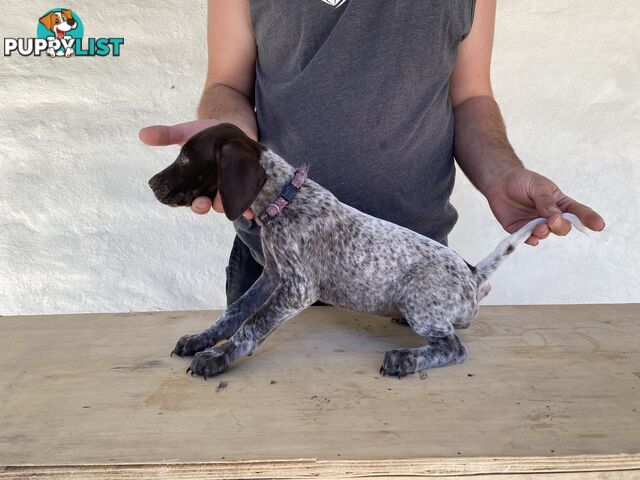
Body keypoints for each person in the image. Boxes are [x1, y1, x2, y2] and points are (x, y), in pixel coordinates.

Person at [140, 0, 605, 306]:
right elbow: (227, 82)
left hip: (409, 268)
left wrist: (502, 173)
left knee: (410, 449)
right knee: (266, 442)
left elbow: (470, 97)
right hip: (276, 259)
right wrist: (228, 145)